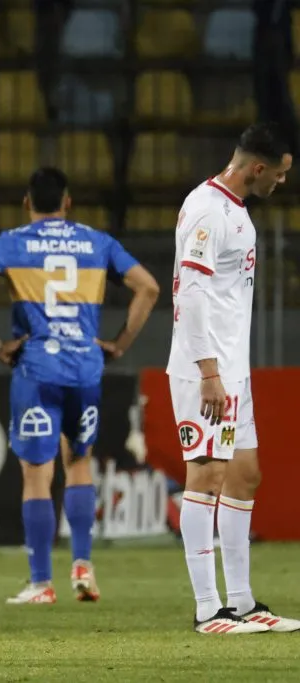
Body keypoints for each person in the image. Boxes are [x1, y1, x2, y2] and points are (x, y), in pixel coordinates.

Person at [0, 167, 160, 604]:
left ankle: (40, 583)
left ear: (26, 203)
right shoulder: (97, 242)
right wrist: (120, 343)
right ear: (68, 204)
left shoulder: (11, 241)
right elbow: (149, 287)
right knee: (80, 463)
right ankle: (83, 567)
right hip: (86, 367)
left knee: (37, 476)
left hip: (38, 368)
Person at [167, 122, 300, 635]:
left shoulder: (236, 212)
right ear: (257, 169)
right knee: (206, 476)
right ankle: (208, 610)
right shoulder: (208, 210)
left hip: (232, 372)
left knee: (245, 474)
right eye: (281, 174)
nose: (283, 183)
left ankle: (243, 603)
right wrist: (208, 373)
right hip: (207, 371)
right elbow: (192, 294)